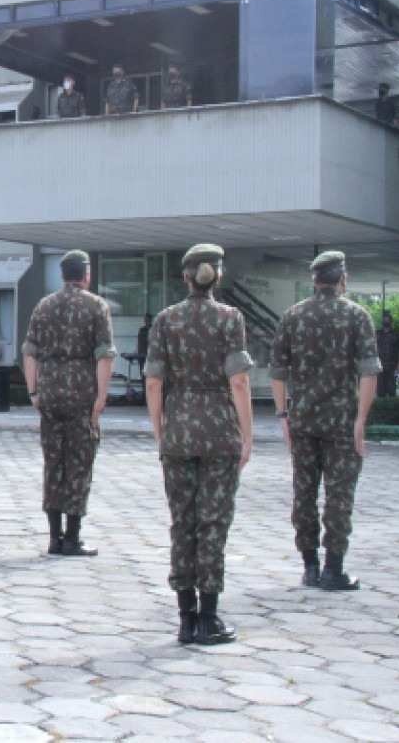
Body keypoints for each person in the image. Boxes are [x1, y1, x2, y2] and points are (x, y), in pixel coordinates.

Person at [145, 243, 253, 646]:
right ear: (217, 276)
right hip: (221, 432)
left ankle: (185, 617)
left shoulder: (166, 320)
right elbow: (238, 380)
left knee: (182, 522)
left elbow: (154, 381)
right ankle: (209, 616)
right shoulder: (230, 319)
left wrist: (160, 429)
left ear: (185, 277)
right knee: (213, 523)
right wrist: (247, 433)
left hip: (179, 430)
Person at [270, 251, 380, 592]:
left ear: (314, 281)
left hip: (303, 420)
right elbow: (369, 374)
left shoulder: (293, 315)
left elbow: (277, 372)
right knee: (339, 496)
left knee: (303, 493)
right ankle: (334, 569)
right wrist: (361, 420)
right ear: (342, 280)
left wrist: (283, 414)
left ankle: (309, 566)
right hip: (342, 423)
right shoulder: (357, 316)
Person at [22, 250, 116, 556]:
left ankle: (54, 536)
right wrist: (101, 397)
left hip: (49, 393)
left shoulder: (44, 306)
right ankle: (73, 537)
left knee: (53, 462)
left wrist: (33, 392)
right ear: (86, 274)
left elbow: (29, 352)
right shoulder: (96, 306)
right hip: (81, 395)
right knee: (79, 464)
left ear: (62, 275)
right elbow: (104, 355)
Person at [375, 310, 398, 398]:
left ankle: (392, 409)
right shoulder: (377, 333)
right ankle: (381, 409)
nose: (386, 321)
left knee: (391, 388)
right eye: (384, 319)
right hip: (379, 364)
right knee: (380, 390)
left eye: (387, 319)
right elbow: (373, 348)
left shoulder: (396, 333)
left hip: (392, 364)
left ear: (391, 321)